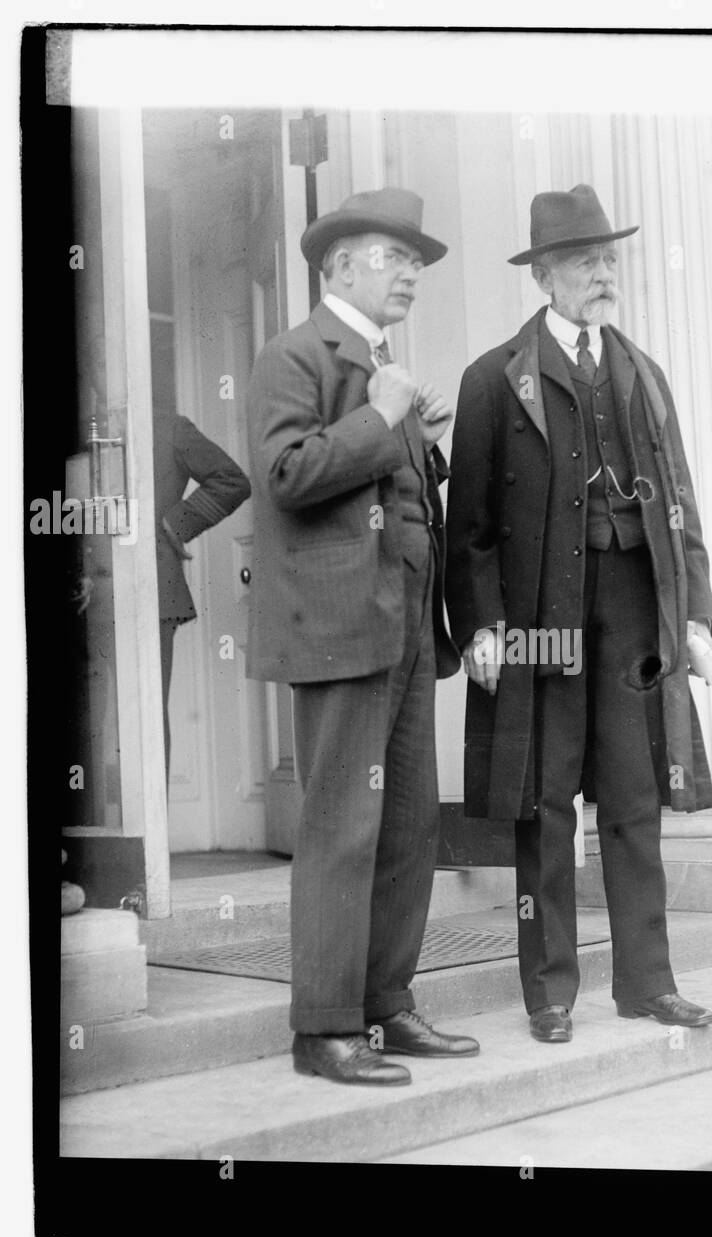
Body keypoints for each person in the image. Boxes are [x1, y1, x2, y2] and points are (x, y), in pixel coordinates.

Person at [445, 184, 712, 1044]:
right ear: (546, 278)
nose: (603, 276)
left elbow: (678, 498)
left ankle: (646, 983)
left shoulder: (643, 373)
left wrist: (697, 619)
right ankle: (550, 993)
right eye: (583, 263)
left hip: (634, 612)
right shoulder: (493, 379)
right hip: (540, 617)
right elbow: (474, 526)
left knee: (636, 798)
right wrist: (483, 625)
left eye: (608, 259)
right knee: (545, 801)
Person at [246, 188, 479, 1085]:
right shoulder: (291, 355)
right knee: (343, 827)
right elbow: (287, 474)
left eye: (416, 261)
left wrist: (417, 438)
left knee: (410, 825)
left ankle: (386, 1005)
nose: (412, 274)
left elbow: (391, 491)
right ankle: (324, 1030)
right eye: (394, 257)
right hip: (341, 629)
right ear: (339, 266)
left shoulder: (385, 367)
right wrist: (383, 418)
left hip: (410, 623)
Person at [153, 411, 251, 775]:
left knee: (147, 714)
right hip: (86, 592)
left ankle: (152, 832)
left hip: (152, 592)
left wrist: (177, 523)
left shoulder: (167, 427)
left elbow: (232, 480)